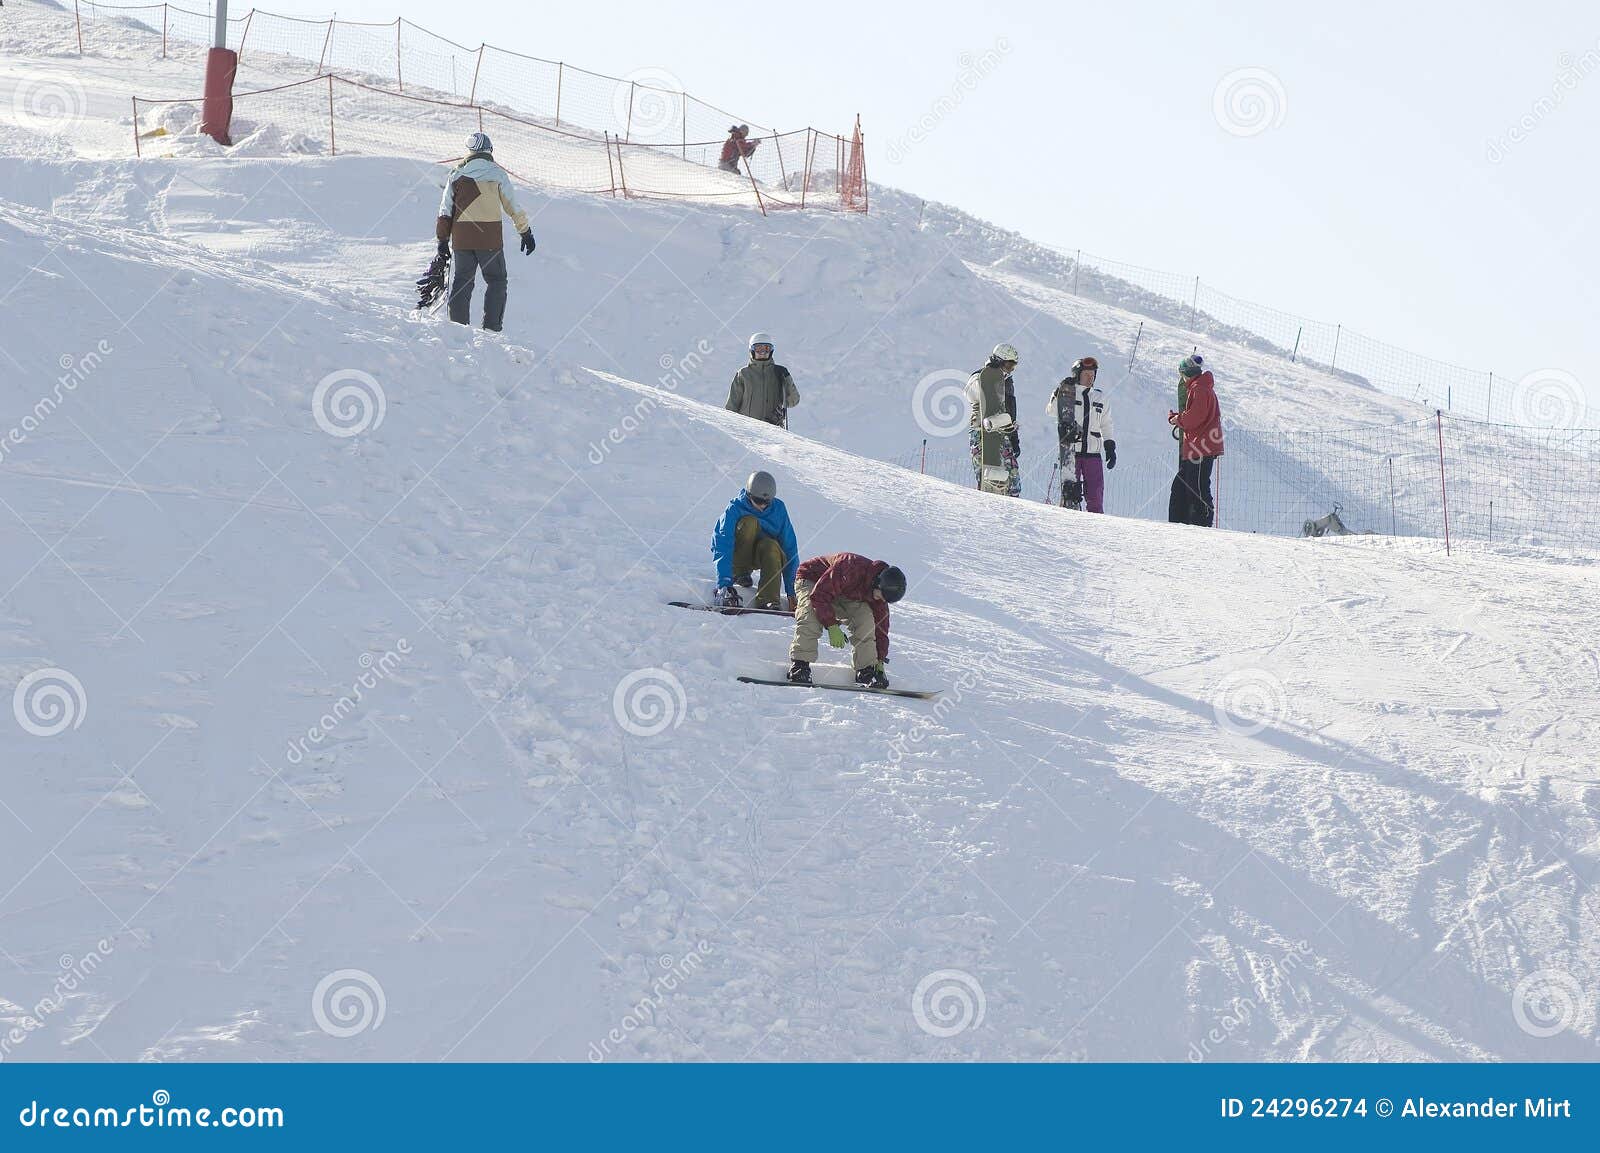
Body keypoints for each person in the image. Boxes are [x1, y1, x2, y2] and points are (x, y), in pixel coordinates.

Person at [435, 132, 536, 332]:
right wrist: (525, 232)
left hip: (462, 238)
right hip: (489, 238)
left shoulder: (456, 174)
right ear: (489, 150)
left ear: (470, 151)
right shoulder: (497, 174)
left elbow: (445, 209)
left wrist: (442, 240)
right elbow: (513, 206)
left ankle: (457, 328)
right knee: (496, 280)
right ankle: (491, 329)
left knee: (462, 280)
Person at [787, 554, 906, 688]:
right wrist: (831, 625)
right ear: (877, 584)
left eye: (885, 600)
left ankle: (866, 670)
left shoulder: (879, 596)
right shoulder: (850, 567)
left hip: (844, 591)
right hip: (812, 579)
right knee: (811, 615)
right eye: (881, 596)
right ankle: (800, 665)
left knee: (865, 620)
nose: (881, 600)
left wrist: (879, 660)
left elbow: (881, 628)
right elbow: (819, 595)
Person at [711, 470, 799, 611]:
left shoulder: (779, 509)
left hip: (760, 556)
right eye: (758, 501)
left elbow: (790, 549)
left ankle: (768, 600)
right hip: (737, 556)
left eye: (767, 502)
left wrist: (792, 592)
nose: (762, 505)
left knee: (772, 545)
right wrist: (724, 583)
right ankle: (739, 572)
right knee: (749, 522)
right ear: (749, 494)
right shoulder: (735, 508)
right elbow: (722, 545)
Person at [1045, 356, 1117, 512]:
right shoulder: (1068, 393)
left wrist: (1110, 446)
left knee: (1095, 496)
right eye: (1086, 374)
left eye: (1093, 375)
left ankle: (1096, 522)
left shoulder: (1100, 397)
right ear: (1077, 375)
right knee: (1071, 495)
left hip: (1093, 454)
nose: (1090, 378)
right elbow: (1051, 411)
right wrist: (1059, 392)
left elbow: (1106, 423)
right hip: (1072, 453)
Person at [1167, 355, 1225, 526]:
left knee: (1197, 487)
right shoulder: (1200, 387)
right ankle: (1179, 522)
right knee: (1181, 485)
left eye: (1182, 374)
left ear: (1186, 373)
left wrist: (1178, 419)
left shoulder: (1199, 389)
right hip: (1195, 447)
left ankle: (1203, 521)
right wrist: (1179, 418)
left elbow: (1195, 417)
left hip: (1201, 447)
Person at [968, 343, 1021, 496]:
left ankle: (1012, 504)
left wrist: (1014, 438)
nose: (1010, 370)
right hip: (981, 433)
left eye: (1013, 366)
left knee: (1013, 480)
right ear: (998, 361)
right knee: (988, 478)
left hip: (1003, 433)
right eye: (1009, 365)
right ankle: (986, 502)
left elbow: (1010, 412)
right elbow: (971, 394)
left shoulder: (1008, 383)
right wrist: (990, 378)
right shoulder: (979, 376)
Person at [726, 333, 799, 426]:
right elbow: (731, 406)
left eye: (766, 348)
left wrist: (787, 378)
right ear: (752, 350)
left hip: (773, 428)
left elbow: (793, 401)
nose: (763, 352)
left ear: (771, 350)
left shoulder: (779, 373)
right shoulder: (743, 374)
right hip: (747, 427)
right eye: (759, 349)